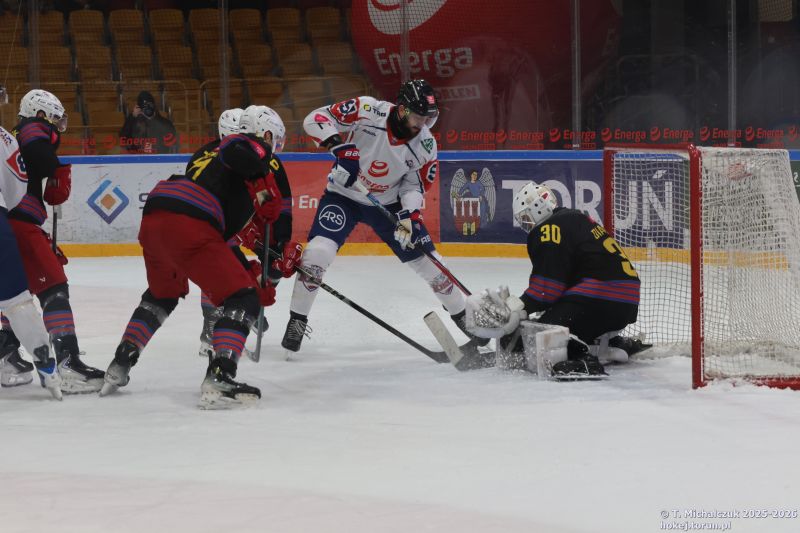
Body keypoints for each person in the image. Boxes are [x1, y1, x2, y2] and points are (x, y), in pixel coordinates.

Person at [281, 78, 486, 354]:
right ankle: (297, 320)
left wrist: (410, 214)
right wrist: (339, 147)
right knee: (317, 253)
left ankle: (467, 322)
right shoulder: (368, 110)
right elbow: (315, 119)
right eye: (418, 117)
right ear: (401, 110)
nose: (422, 125)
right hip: (343, 196)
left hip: (388, 206)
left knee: (432, 264)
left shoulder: (426, 144)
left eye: (428, 119)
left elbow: (414, 185)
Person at [100, 104, 285, 408]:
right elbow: (238, 152)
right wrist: (263, 180)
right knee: (243, 299)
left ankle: (120, 363)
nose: (274, 149)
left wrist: (246, 273)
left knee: (162, 295)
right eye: (274, 140)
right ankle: (220, 375)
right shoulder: (247, 145)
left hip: (160, 213)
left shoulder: (207, 154)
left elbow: (218, 240)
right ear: (266, 134)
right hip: (191, 220)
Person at [465, 181, 642, 377]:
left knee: (542, 334)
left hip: (601, 297)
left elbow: (547, 290)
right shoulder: (574, 218)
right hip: (623, 302)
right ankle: (609, 342)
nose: (526, 224)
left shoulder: (549, 228)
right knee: (553, 318)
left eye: (526, 218)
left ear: (537, 208)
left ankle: (581, 358)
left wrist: (521, 306)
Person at [0, 89, 105, 393]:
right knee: (54, 288)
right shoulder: (33, 127)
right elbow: (39, 151)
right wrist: (55, 168)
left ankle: (8, 356)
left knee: (16, 293)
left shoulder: (11, 135)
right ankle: (68, 362)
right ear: (40, 113)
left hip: (11, 221)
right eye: (54, 119)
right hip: (21, 223)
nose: (57, 126)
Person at [195, 107, 302, 360]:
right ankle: (212, 322)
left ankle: (251, 307)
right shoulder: (210, 156)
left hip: (251, 220)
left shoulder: (270, 161)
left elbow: (282, 204)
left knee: (276, 261)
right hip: (219, 224)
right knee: (221, 264)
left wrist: (282, 242)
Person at [0, 125, 62, 399]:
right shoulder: (3, 136)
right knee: (16, 301)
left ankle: (9, 358)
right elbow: (16, 189)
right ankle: (47, 367)